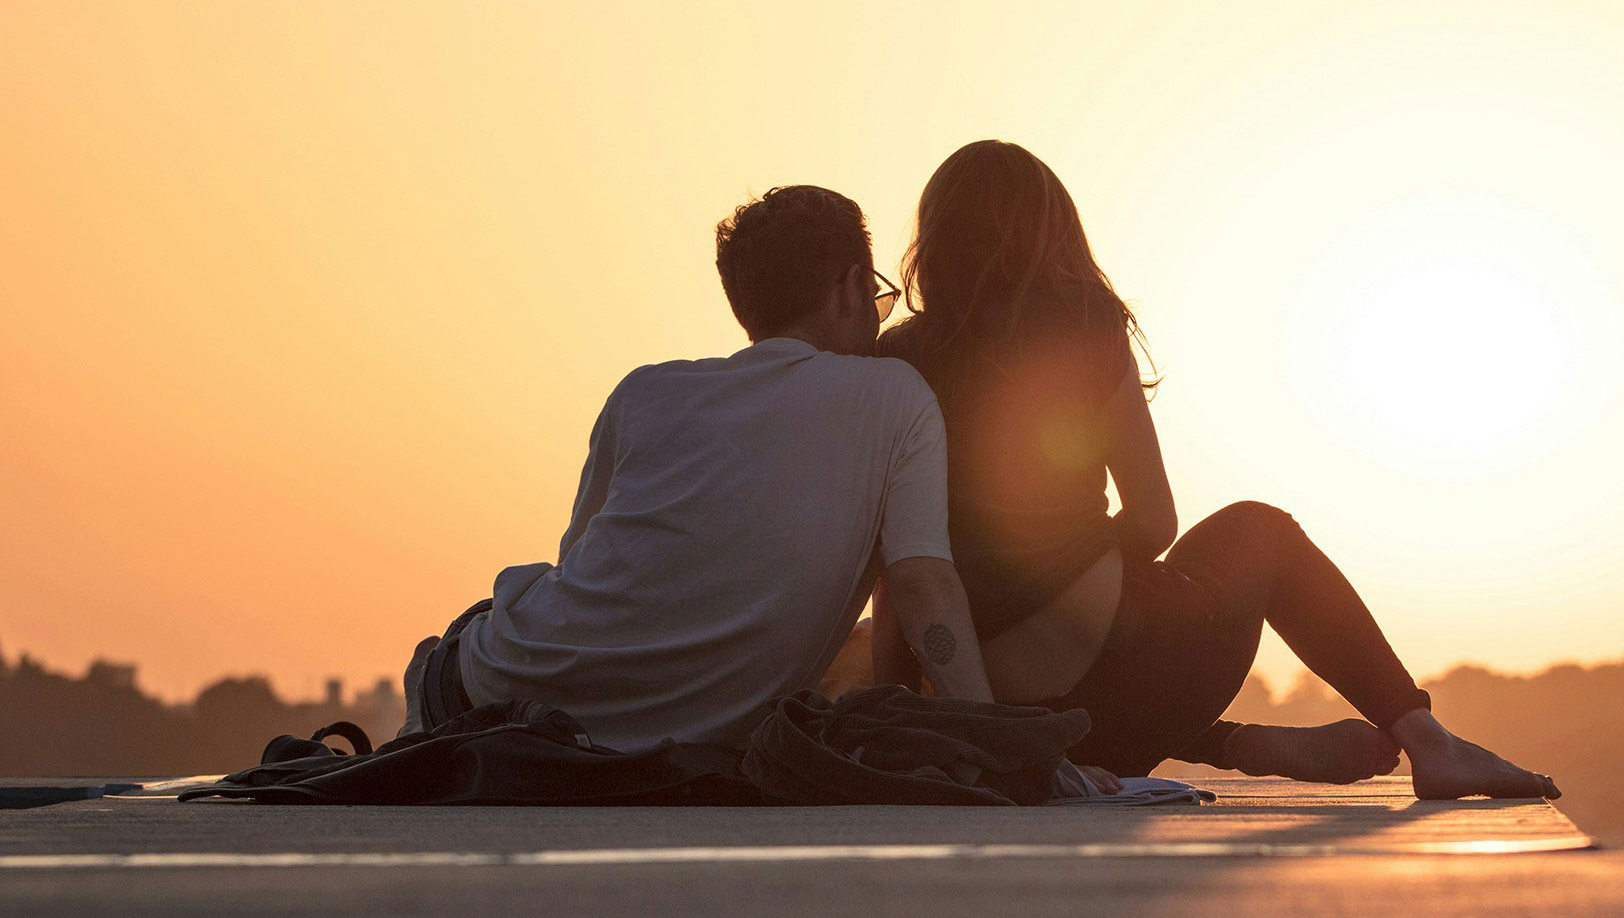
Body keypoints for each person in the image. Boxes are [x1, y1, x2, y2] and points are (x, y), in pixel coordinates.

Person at [874, 141, 1559, 799]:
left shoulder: (895, 362)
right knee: (1261, 531)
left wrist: (916, 715)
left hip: (1014, 722)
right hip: (1128, 678)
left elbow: (897, 573)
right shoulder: (1083, 324)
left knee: (1078, 670)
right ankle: (1428, 742)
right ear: (1053, 236)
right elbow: (1154, 519)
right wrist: (1079, 564)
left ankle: (1227, 743)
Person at [399, 185, 1107, 789]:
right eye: (879, 299)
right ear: (852, 287)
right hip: (641, 743)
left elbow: (588, 572)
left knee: (487, 625)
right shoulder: (896, 396)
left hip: (492, 694)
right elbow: (923, 588)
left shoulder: (646, 393)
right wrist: (1004, 751)